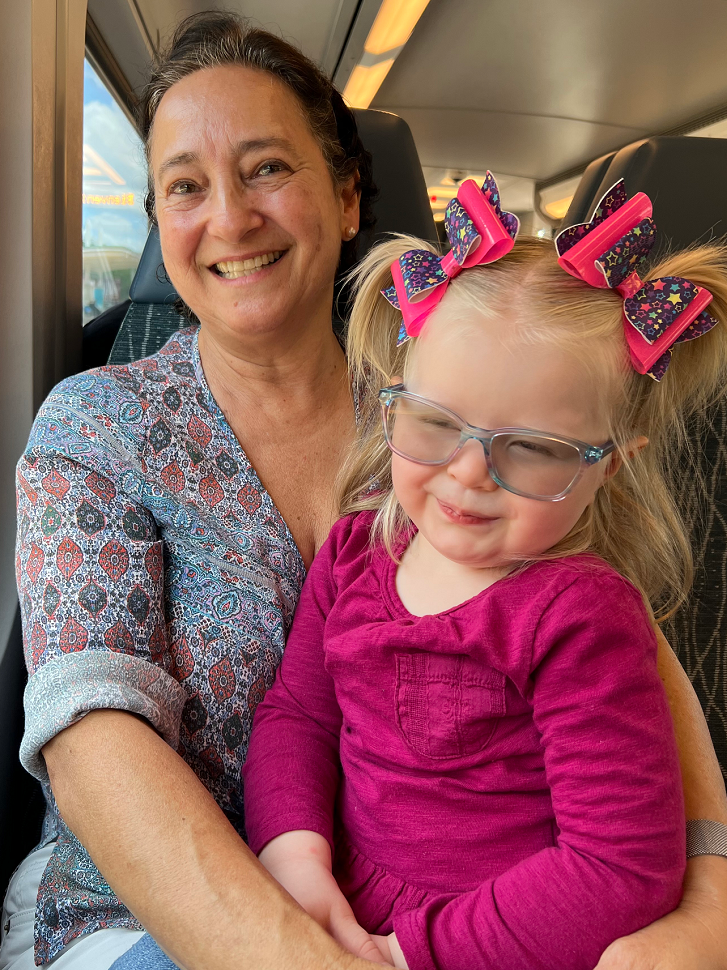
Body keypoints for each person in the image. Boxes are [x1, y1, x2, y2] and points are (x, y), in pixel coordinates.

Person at [0, 11, 726, 970]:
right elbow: (93, 737)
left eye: (267, 167)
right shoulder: (99, 425)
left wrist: (707, 895)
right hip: (146, 907)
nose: (229, 216)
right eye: (184, 186)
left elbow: (618, 642)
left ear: (348, 197)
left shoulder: (449, 409)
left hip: (451, 919)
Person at [242, 178, 727, 970]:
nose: (468, 475)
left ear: (609, 468)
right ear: (393, 405)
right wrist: (295, 857)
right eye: (434, 423)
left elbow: (618, 868)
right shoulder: (353, 555)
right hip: (334, 912)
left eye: (532, 448)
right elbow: (300, 716)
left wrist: (409, 952)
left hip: (503, 944)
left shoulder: (581, 616)